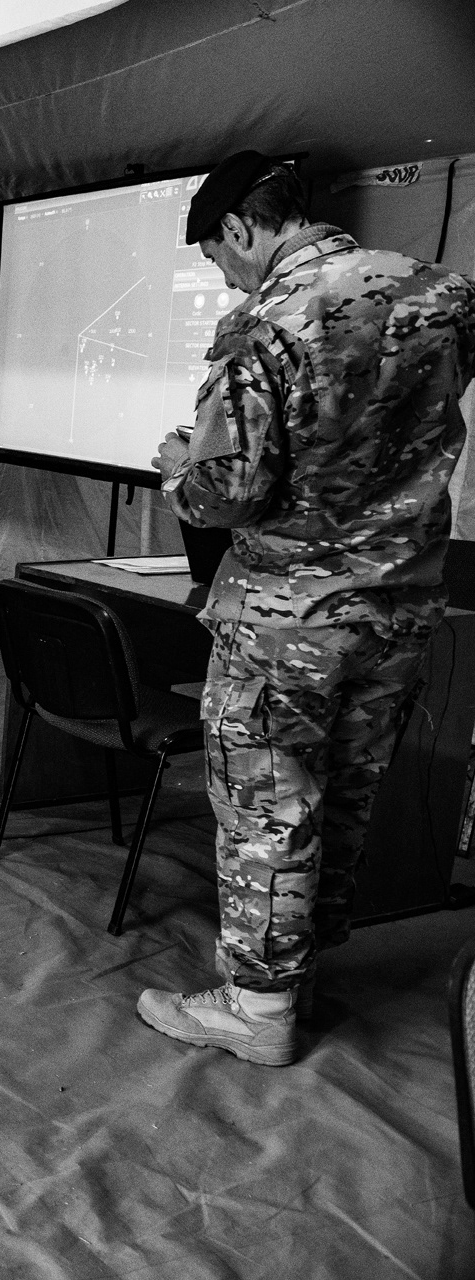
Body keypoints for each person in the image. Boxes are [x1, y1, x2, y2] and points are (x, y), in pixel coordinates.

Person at [141, 151, 475, 1066]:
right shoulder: (446, 293)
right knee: (347, 796)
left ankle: (258, 1008)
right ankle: (300, 972)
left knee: (268, 806)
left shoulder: (266, 323)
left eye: (217, 256)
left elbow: (226, 493)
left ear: (240, 228)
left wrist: (178, 466)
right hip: (399, 605)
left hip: (287, 618)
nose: (225, 275)